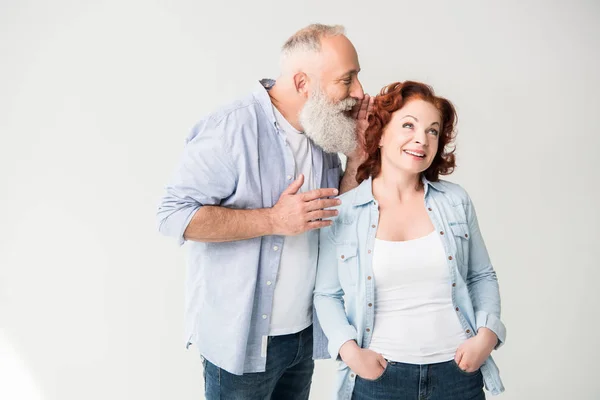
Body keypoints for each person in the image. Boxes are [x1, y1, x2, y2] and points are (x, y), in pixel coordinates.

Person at [156, 24, 372, 400]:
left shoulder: (323, 130)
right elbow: (172, 215)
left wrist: (356, 161)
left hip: (303, 337)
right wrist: (273, 220)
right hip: (242, 345)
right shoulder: (231, 128)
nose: (359, 91)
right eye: (347, 79)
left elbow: (333, 216)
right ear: (304, 83)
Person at [314, 81, 506, 400]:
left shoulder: (455, 201)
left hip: (458, 374)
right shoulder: (344, 211)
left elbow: (481, 275)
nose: (422, 139)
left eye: (433, 131)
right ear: (381, 133)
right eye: (408, 125)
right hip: (378, 378)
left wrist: (486, 336)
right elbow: (327, 293)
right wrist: (350, 352)